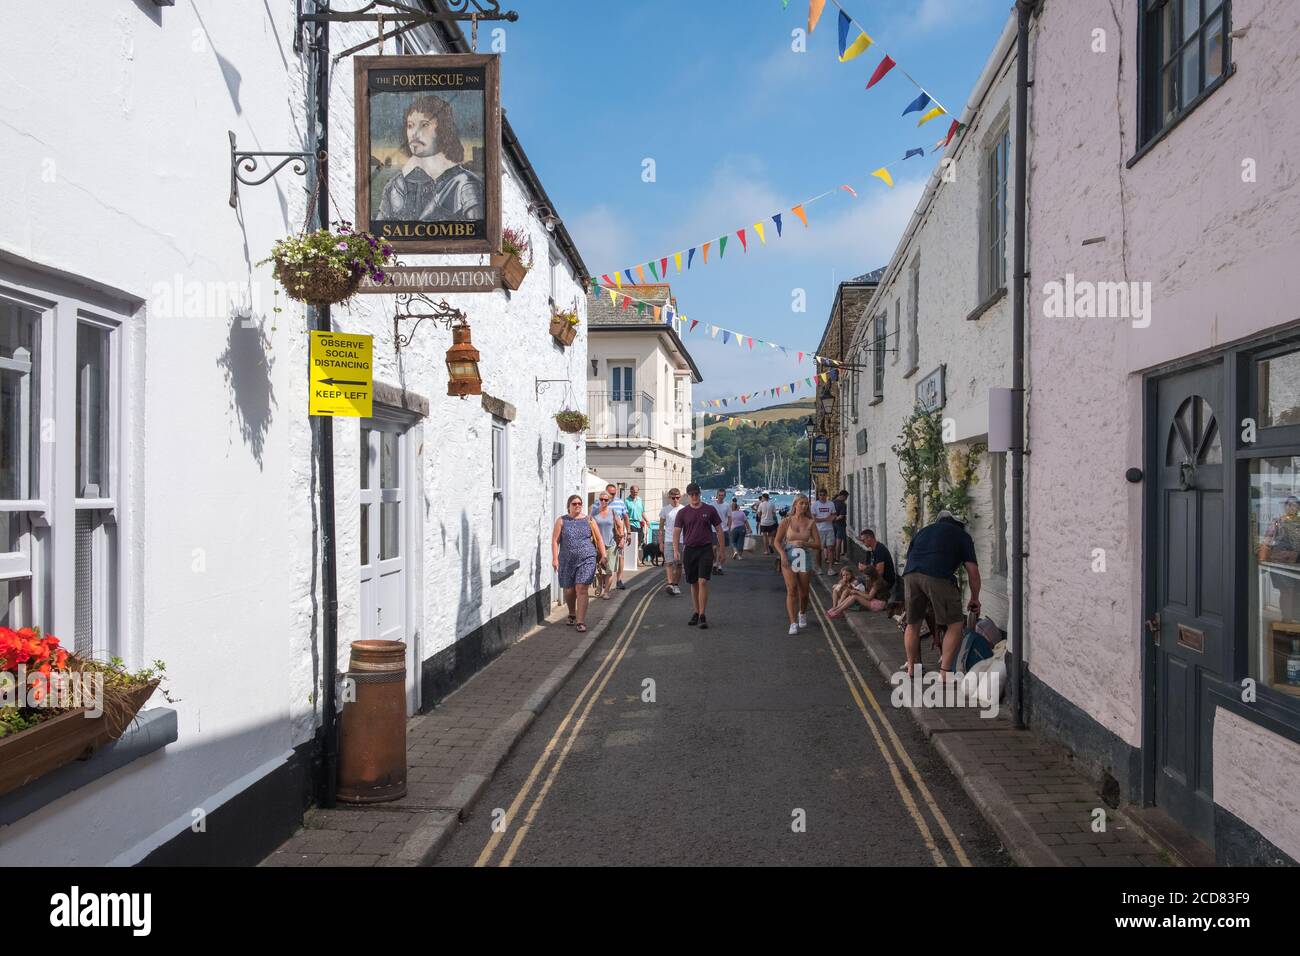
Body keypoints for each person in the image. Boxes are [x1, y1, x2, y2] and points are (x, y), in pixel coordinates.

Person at [378, 94, 486, 223]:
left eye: (424, 125)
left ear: (443, 128)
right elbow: (374, 238)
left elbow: (477, 235)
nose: (414, 133)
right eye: (410, 125)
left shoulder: (464, 184)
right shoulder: (395, 185)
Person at [902, 510, 981, 676]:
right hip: (936, 575)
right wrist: (974, 598)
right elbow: (972, 572)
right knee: (955, 623)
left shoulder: (923, 531)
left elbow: (910, 556)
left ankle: (911, 668)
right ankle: (945, 674)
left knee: (913, 623)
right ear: (961, 525)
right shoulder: (962, 536)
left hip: (910, 574)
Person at [673, 483, 725, 629]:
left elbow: (719, 530)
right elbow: (677, 531)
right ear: (688, 496)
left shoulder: (709, 510)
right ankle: (696, 612)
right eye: (692, 494)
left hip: (705, 549)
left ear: (700, 494)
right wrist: (676, 549)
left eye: (697, 494)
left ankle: (702, 614)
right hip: (689, 550)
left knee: (703, 581)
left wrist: (722, 550)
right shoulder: (683, 512)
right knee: (693, 582)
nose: (695, 497)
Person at [552, 494, 606, 633]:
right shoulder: (562, 521)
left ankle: (580, 621)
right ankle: (572, 613)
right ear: (568, 506)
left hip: (587, 558)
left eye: (579, 503)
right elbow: (555, 541)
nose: (577, 506)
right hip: (566, 560)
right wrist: (555, 558)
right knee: (569, 590)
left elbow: (599, 539)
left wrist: (603, 555)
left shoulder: (589, 520)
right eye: (574, 503)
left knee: (581, 588)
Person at [774, 495, 820, 635]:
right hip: (788, 556)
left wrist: (805, 543)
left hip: (804, 556)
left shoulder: (811, 522)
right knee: (792, 589)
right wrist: (782, 555)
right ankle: (793, 623)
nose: (804, 506)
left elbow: (818, 545)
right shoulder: (786, 521)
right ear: (795, 505)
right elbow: (776, 541)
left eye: (806, 504)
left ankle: (802, 613)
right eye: (802, 503)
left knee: (804, 593)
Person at [592, 492, 619, 600]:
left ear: (609, 501)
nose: (603, 501)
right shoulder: (594, 512)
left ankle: (606, 591)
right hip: (597, 545)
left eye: (606, 500)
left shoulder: (613, 512)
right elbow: (590, 525)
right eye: (601, 499)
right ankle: (599, 584)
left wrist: (621, 540)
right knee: (599, 569)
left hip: (611, 544)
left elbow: (620, 526)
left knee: (609, 570)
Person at [659, 488, 684, 596]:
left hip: (681, 540)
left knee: (678, 564)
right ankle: (670, 584)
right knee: (668, 563)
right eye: (673, 498)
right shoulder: (665, 510)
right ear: (670, 498)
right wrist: (660, 542)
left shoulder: (684, 510)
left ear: (680, 497)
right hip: (668, 540)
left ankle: (676, 585)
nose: (675, 500)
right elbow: (660, 528)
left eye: (677, 498)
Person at [605, 483, 630, 590]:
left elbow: (626, 517)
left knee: (620, 557)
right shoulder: (600, 502)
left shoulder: (620, 502)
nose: (612, 495)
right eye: (611, 493)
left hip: (618, 534)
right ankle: (604, 581)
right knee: (604, 557)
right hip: (604, 534)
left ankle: (619, 580)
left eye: (614, 493)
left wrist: (628, 533)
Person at [858, 528, 897, 594]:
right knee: (852, 581)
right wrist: (864, 569)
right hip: (875, 579)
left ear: (869, 538)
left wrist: (865, 568)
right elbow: (870, 568)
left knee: (856, 588)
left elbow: (880, 572)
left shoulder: (880, 549)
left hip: (885, 581)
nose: (862, 543)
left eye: (863, 540)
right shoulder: (871, 550)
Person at [810, 488, 837, 577]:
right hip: (819, 530)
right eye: (820, 495)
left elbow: (834, 514)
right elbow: (814, 519)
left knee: (830, 549)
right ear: (818, 496)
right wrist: (826, 519)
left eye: (824, 495)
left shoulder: (831, 504)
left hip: (829, 529)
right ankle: (819, 568)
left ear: (826, 495)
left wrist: (832, 518)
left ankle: (830, 569)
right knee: (819, 550)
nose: (822, 496)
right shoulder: (814, 505)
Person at [626, 484, 645, 566]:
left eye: (636, 492)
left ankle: (635, 559)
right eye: (633, 492)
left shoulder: (640, 500)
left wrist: (647, 521)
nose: (635, 494)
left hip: (639, 523)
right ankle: (637, 560)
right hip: (631, 522)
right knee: (634, 542)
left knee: (639, 542)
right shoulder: (626, 501)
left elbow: (642, 512)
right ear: (630, 491)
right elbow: (625, 514)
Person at [712, 489, 729, 575]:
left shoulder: (727, 505)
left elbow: (729, 517)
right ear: (717, 495)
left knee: (720, 548)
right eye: (720, 495)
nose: (721, 497)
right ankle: (715, 562)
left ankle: (719, 565)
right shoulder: (713, 505)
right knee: (714, 548)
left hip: (724, 529)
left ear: (725, 496)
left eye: (722, 495)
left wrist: (728, 527)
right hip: (713, 529)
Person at [832, 490, 850, 563]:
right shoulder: (843, 504)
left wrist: (832, 519)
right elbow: (841, 516)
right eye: (846, 497)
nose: (846, 499)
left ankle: (831, 557)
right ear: (843, 496)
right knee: (838, 541)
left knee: (833, 541)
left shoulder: (832, 502)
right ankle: (837, 559)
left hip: (832, 523)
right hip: (840, 524)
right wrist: (836, 518)